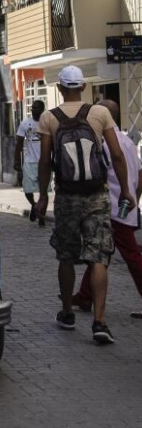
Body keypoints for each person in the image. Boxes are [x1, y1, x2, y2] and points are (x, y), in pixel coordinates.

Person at [37, 65, 135, 344]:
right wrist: (126, 191)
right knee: (99, 256)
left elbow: (45, 161)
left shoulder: (48, 118)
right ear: (82, 86)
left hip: (66, 197)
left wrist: (43, 197)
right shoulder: (101, 113)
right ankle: (100, 322)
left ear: (60, 88)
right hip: (97, 196)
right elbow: (116, 154)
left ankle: (68, 312)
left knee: (66, 256)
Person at [72, 100, 142, 317]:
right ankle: (84, 296)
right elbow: (140, 174)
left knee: (129, 255)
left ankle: (85, 297)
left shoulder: (104, 143)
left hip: (111, 207)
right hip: (123, 205)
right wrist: (133, 199)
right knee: (101, 253)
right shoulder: (127, 142)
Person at [15, 100, 47, 226]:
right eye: (32, 108)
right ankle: (34, 205)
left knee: (43, 192)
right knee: (28, 189)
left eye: (36, 108)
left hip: (44, 162)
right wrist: (17, 160)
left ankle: (42, 218)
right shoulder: (25, 123)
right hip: (29, 161)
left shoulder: (47, 122)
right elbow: (19, 142)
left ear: (42, 109)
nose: (33, 110)